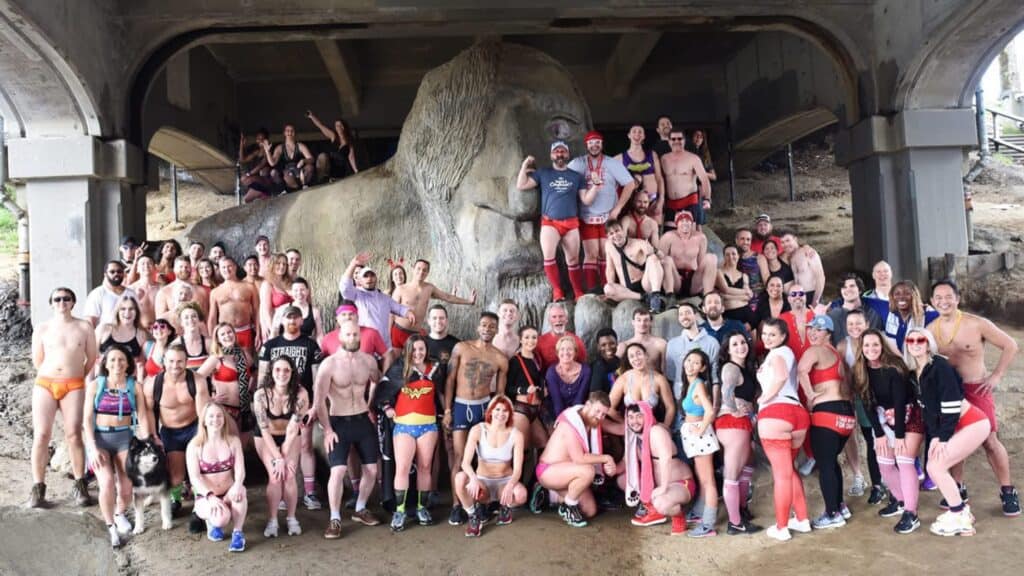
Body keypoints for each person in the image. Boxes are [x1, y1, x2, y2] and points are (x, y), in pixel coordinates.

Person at [927, 280, 1020, 515]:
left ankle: (1007, 490)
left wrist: (996, 375)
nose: (943, 301)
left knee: (989, 440)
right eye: (938, 297)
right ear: (931, 302)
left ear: (957, 298)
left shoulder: (976, 324)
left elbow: (1010, 345)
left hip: (976, 389)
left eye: (948, 296)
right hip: (950, 394)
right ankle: (958, 487)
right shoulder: (930, 330)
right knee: (953, 440)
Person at [904, 327, 991, 536]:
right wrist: (935, 437)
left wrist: (942, 438)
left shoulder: (939, 366)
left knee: (935, 466)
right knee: (935, 464)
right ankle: (961, 511)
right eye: (911, 340)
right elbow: (927, 410)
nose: (916, 343)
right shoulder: (914, 372)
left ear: (928, 343)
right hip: (953, 426)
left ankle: (959, 515)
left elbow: (951, 405)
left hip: (972, 423)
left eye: (921, 340)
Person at [29, 287, 98, 508]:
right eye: (57, 299)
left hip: (74, 384)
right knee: (41, 435)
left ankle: (80, 485)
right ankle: (38, 488)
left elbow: (92, 358)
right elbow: (37, 360)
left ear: (73, 302)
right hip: (46, 383)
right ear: (51, 303)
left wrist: (75, 376)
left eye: (66, 299)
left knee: (74, 435)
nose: (62, 302)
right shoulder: (42, 328)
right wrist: (53, 374)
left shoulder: (84, 326)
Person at [315, 320, 383, 538]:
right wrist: (327, 430)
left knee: (372, 469)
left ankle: (360, 508)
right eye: (349, 335)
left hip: (362, 419)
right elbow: (319, 402)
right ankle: (334, 518)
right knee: (338, 471)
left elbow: (377, 381)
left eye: (356, 334)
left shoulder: (369, 361)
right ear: (340, 336)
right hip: (338, 422)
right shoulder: (330, 364)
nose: (353, 338)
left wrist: (371, 404)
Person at [853, 329, 925, 533]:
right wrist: (880, 434)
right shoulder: (860, 370)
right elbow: (867, 404)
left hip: (910, 416)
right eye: (866, 345)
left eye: (875, 344)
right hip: (884, 417)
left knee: (904, 460)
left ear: (882, 345)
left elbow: (901, 402)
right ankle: (901, 500)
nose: (871, 349)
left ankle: (911, 513)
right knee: (884, 464)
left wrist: (900, 436)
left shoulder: (893, 368)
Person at [83, 344, 153, 547]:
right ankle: (111, 526)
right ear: (105, 363)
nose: (117, 363)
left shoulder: (134, 386)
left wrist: (147, 440)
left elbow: (142, 415)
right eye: (112, 359)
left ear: (128, 363)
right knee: (106, 483)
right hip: (101, 439)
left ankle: (120, 513)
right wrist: (93, 447)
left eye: (121, 359)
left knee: (126, 487)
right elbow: (87, 419)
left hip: (125, 439)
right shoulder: (97, 385)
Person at [443, 312, 509, 525]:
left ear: (497, 330)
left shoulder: (500, 358)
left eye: (492, 326)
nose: (487, 328)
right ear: (477, 326)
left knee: (482, 458)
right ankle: (457, 506)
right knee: (460, 457)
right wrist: (447, 410)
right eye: (484, 324)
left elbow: (499, 393)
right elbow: (450, 380)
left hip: (483, 407)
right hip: (462, 405)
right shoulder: (462, 348)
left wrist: (497, 421)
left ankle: (481, 503)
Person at [259, 305, 324, 510]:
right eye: (288, 318)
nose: (292, 322)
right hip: (275, 405)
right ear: (282, 320)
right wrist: (263, 403)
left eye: (296, 318)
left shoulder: (311, 345)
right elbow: (262, 376)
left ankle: (310, 492)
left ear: (301, 321)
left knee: (304, 445)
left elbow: (316, 378)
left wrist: (313, 406)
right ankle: (281, 494)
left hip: (301, 403)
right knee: (278, 447)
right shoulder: (270, 345)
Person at [517, 141, 596, 301]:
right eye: (556, 151)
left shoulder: (576, 176)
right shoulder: (543, 173)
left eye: (563, 151)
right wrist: (525, 165)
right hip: (550, 223)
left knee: (573, 260)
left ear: (567, 154)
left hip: (571, 223)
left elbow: (586, 200)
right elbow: (521, 185)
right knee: (549, 257)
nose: (560, 154)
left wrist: (595, 185)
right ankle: (558, 291)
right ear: (551, 154)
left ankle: (578, 292)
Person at [797, 315, 856, 530]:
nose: (813, 333)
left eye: (818, 330)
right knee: (831, 463)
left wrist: (810, 394)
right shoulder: (837, 355)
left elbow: (802, 371)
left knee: (825, 465)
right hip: (846, 416)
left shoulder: (814, 351)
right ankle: (839, 506)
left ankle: (832, 513)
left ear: (828, 333)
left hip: (827, 413)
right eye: (810, 328)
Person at [379, 336, 441, 531]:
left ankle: (422, 508)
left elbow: (442, 394)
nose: (417, 353)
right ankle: (400, 511)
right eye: (413, 350)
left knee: (425, 467)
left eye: (421, 349)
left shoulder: (436, 369)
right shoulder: (399, 369)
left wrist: (445, 412)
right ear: (407, 351)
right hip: (404, 426)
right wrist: (387, 407)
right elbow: (383, 392)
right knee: (403, 467)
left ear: (426, 349)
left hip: (428, 426)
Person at [144, 345, 209, 531]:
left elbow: (202, 412)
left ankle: (199, 508)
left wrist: (201, 439)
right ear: (164, 361)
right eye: (171, 361)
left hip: (193, 428)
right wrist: (152, 436)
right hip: (170, 431)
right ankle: (176, 500)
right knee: (175, 477)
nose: (175, 365)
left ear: (186, 362)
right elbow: (148, 411)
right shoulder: (153, 384)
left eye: (180, 361)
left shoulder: (196, 381)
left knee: (199, 471)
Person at [756, 319, 811, 541]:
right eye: (765, 334)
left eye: (772, 335)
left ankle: (781, 526)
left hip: (776, 414)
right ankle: (802, 518)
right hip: (797, 414)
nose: (767, 338)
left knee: (781, 475)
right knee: (789, 471)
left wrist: (764, 398)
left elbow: (779, 376)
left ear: (782, 337)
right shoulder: (785, 353)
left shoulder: (778, 353)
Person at [568, 130, 637, 292]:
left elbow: (630, 184)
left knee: (608, 254)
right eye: (591, 143)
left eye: (597, 142)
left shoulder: (612, 163)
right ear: (586, 145)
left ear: (602, 144)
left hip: (608, 216)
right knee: (591, 255)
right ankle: (593, 292)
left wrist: (618, 208)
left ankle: (609, 290)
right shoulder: (577, 163)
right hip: (586, 216)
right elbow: (564, 178)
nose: (594, 146)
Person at [534, 392, 615, 527]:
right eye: (598, 411)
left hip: (568, 473)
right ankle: (568, 507)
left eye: (604, 414)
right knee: (587, 471)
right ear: (588, 405)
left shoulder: (592, 419)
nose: (600, 416)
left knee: (589, 510)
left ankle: (549, 495)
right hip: (548, 470)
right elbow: (579, 458)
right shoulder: (570, 422)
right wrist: (606, 458)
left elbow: (617, 429)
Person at [455, 395, 528, 537]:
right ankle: (473, 516)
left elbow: (518, 469)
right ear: (490, 411)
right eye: (498, 409)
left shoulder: (516, 434)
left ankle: (504, 508)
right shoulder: (478, 430)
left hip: (504, 481)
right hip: (483, 482)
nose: (501, 414)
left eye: (505, 411)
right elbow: (465, 463)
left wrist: (510, 485)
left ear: (510, 414)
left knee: (521, 495)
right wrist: (473, 478)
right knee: (460, 478)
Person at [619, 402, 697, 535]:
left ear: (647, 416)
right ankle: (652, 508)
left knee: (661, 503)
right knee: (622, 480)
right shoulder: (635, 436)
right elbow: (625, 462)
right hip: (659, 485)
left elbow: (665, 459)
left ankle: (678, 516)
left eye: (639, 416)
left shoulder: (656, 431)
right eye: (630, 417)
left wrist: (663, 487)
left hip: (681, 484)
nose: (634, 421)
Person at [253, 355, 308, 539]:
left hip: (289, 438)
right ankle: (273, 519)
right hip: (265, 437)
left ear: (292, 373)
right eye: (277, 369)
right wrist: (278, 459)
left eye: (286, 370)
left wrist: (284, 456)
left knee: (290, 474)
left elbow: (293, 429)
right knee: (276, 475)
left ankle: (291, 518)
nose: (282, 374)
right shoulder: (261, 395)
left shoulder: (301, 395)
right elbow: (264, 429)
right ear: (271, 372)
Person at [836, 310, 886, 505]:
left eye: (858, 323)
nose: (854, 327)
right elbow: (841, 374)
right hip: (852, 395)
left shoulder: (876, 341)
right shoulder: (842, 345)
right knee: (851, 435)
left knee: (874, 437)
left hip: (872, 396)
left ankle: (881, 481)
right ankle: (860, 476)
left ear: (867, 323)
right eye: (850, 324)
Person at [185, 403, 248, 552]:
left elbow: (240, 470)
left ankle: (238, 533)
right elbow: (194, 478)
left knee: (241, 492)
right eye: (211, 416)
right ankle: (213, 523)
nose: (215, 419)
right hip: (206, 497)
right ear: (204, 421)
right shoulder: (194, 445)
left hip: (228, 492)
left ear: (224, 419)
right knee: (222, 518)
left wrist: (238, 484)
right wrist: (210, 496)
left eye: (219, 416)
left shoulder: (233, 441)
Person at [716, 332, 760, 534]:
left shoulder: (746, 368)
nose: (741, 346)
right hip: (733, 424)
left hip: (743, 422)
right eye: (735, 344)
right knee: (732, 473)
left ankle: (741, 510)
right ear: (728, 349)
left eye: (743, 342)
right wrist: (734, 410)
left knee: (746, 467)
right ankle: (735, 522)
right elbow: (726, 392)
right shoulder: (731, 367)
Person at [678, 350, 720, 537]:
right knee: (702, 478)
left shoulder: (699, 385)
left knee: (708, 480)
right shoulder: (690, 385)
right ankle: (700, 512)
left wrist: (700, 430)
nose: (690, 365)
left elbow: (710, 411)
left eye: (696, 363)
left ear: (703, 368)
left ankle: (708, 523)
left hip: (699, 435)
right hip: (693, 435)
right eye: (688, 360)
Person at [390, 259, 476, 349]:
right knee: (394, 361)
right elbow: (391, 314)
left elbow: (447, 297)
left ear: (427, 272)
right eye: (418, 268)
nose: (421, 272)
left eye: (424, 270)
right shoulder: (401, 289)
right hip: (399, 331)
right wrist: (387, 334)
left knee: (416, 361)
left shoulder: (429, 288)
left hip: (415, 333)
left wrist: (469, 301)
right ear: (413, 269)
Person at [339, 252, 415, 349]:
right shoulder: (356, 295)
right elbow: (344, 288)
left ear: (376, 278)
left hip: (384, 346)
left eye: (372, 275)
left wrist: (408, 312)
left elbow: (399, 308)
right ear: (359, 280)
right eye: (366, 276)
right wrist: (352, 264)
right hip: (365, 345)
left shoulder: (385, 298)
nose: (369, 278)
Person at [195, 323, 251, 436]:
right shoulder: (216, 358)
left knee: (242, 448)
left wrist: (251, 388)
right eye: (223, 334)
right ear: (218, 339)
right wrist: (208, 398)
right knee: (234, 443)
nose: (227, 336)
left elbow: (255, 371)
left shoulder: (243, 353)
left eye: (229, 332)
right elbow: (196, 378)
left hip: (244, 409)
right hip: (225, 409)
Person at [602, 219, 667, 312]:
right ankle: (645, 298)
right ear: (608, 236)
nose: (615, 235)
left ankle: (655, 296)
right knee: (607, 288)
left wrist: (653, 251)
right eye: (611, 233)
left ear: (623, 231)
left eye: (617, 231)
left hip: (644, 284)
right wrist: (611, 286)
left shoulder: (638, 243)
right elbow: (610, 269)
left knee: (652, 258)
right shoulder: (608, 246)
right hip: (627, 291)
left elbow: (661, 256)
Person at [208, 257, 260, 356]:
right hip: (224, 334)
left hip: (245, 330)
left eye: (229, 266)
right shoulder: (215, 292)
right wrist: (212, 339)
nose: (226, 270)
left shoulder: (249, 287)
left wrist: (258, 333)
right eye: (223, 267)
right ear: (219, 269)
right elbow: (212, 317)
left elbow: (257, 311)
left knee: (246, 362)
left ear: (235, 267)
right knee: (228, 363)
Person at [507, 326, 548, 451]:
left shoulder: (537, 358)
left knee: (544, 444)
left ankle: (537, 471)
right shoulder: (515, 361)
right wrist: (524, 390)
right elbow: (507, 388)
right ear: (520, 339)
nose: (531, 341)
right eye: (527, 337)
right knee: (523, 449)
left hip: (536, 409)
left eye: (534, 337)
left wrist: (543, 389)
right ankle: (520, 471)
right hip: (521, 408)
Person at [659, 211, 717, 297]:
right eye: (681, 221)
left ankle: (708, 295)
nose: (685, 223)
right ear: (676, 224)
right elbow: (660, 260)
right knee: (667, 260)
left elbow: (701, 262)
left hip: (693, 279)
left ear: (692, 223)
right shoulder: (668, 237)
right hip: (675, 278)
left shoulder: (700, 238)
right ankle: (669, 296)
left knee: (711, 257)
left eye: (687, 221)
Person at [615, 125, 666, 224]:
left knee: (654, 233)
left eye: (640, 132)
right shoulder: (619, 158)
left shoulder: (652, 154)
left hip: (652, 201)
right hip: (631, 202)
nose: (637, 134)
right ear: (629, 135)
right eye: (634, 131)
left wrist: (661, 200)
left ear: (644, 136)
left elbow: (660, 179)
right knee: (631, 233)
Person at [660, 129, 711, 227]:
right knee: (669, 235)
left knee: (689, 235)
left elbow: (704, 179)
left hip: (689, 201)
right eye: (673, 139)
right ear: (669, 141)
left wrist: (707, 199)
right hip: (670, 203)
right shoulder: (664, 159)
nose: (676, 141)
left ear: (684, 140)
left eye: (679, 138)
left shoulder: (693, 158)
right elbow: (660, 180)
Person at [874, 280, 937, 351]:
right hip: (894, 360)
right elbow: (865, 300)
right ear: (892, 296)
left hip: (917, 359)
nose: (901, 297)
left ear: (914, 296)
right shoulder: (887, 310)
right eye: (897, 294)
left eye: (907, 293)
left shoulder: (928, 315)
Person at [95, 294, 148, 377]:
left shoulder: (141, 335)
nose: (127, 313)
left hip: (128, 382)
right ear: (117, 311)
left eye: (131, 309)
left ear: (137, 312)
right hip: (103, 380)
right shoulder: (104, 329)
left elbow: (141, 366)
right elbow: (91, 359)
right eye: (123, 309)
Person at [828, 273, 882, 345]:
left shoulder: (872, 314)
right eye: (844, 287)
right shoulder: (833, 315)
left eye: (852, 286)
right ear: (841, 292)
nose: (848, 290)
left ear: (859, 290)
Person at [321, 301, 388, 359]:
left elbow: (387, 356)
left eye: (351, 314)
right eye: (343, 314)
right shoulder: (327, 338)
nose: (348, 317)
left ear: (357, 317)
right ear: (337, 318)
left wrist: (385, 374)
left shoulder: (371, 333)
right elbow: (321, 362)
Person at [547, 335, 592, 420]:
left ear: (575, 352)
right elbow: (557, 403)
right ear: (557, 353)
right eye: (562, 349)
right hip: (555, 415)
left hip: (578, 413)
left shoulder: (585, 371)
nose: (566, 352)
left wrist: (574, 422)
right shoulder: (551, 372)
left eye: (570, 349)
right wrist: (562, 422)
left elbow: (579, 399)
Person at [779, 232, 826, 309]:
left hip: (813, 295)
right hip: (800, 298)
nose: (785, 244)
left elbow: (820, 277)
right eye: (782, 242)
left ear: (795, 239)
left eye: (788, 240)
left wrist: (815, 301)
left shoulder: (808, 253)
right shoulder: (791, 258)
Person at [308, 111, 360, 180]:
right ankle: (322, 177)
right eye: (336, 126)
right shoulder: (333, 136)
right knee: (322, 156)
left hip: (340, 168)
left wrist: (356, 171)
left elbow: (351, 158)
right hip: (330, 165)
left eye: (340, 125)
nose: (338, 127)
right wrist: (312, 117)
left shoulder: (349, 143)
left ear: (343, 127)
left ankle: (333, 177)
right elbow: (321, 126)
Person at [85, 260, 138, 326]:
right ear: (105, 274)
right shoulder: (97, 294)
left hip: (129, 335)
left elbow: (138, 318)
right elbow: (90, 322)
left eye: (119, 271)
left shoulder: (131, 293)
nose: (116, 274)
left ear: (124, 274)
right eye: (112, 272)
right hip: (105, 335)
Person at [265, 124, 316, 191]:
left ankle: (304, 184)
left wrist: (304, 161)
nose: (290, 133)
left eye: (292, 131)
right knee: (278, 173)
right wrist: (267, 151)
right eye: (287, 131)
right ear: (284, 133)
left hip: (300, 172)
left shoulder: (300, 145)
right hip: (288, 173)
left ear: (294, 133)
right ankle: (293, 189)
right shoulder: (280, 148)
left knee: (310, 167)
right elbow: (272, 163)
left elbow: (311, 159)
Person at [615, 308, 667, 373]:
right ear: (633, 322)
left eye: (646, 320)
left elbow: (665, 372)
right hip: (631, 382)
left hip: (654, 381)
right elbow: (613, 371)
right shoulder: (624, 345)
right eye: (639, 320)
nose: (642, 323)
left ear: (651, 322)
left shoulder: (660, 344)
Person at [716, 244, 756, 328]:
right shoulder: (718, 272)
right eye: (727, 254)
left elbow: (748, 297)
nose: (731, 257)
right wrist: (744, 293)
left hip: (747, 314)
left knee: (751, 340)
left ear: (738, 256)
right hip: (728, 314)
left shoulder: (744, 275)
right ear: (724, 257)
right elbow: (726, 289)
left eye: (733, 254)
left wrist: (727, 297)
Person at [536, 303, 587, 369]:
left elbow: (583, 366)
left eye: (561, 316)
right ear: (549, 320)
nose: (558, 320)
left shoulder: (576, 341)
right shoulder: (540, 342)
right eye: (554, 317)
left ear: (566, 319)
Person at [259, 253, 293, 342]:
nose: (281, 266)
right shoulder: (267, 284)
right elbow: (266, 311)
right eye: (278, 263)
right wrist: (273, 331)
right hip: (276, 327)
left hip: (291, 327)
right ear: (272, 265)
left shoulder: (289, 283)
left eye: (284, 264)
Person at [239, 128, 276, 202]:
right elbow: (242, 160)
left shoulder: (269, 151)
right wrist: (241, 144)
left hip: (266, 181)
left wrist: (249, 174)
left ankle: (267, 193)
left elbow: (261, 165)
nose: (260, 140)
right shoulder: (257, 152)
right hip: (258, 183)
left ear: (266, 140)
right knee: (247, 200)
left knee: (245, 179)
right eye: (258, 138)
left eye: (262, 139)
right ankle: (263, 194)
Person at [779, 283, 814, 362]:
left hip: (816, 367)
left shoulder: (816, 315)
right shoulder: (782, 318)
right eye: (793, 294)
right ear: (788, 299)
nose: (797, 297)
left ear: (805, 296)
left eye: (801, 294)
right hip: (792, 368)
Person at [172, 303, 210, 372]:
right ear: (181, 322)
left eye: (194, 316)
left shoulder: (209, 343)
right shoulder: (176, 345)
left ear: (199, 320)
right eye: (186, 317)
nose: (190, 320)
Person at [288, 277, 324, 343]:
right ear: (291, 292)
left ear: (307, 291)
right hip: (287, 346)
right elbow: (274, 332)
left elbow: (319, 334)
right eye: (296, 290)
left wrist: (320, 351)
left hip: (306, 346)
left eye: (302, 290)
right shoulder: (283, 309)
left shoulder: (315, 312)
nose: (299, 293)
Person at [129, 255, 160, 329]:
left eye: (149, 263)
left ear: (155, 268)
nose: (146, 265)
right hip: (138, 330)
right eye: (142, 263)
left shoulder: (162, 288)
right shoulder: (131, 290)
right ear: (137, 269)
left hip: (160, 330)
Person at [142, 319, 177, 385]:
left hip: (169, 388)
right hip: (149, 388)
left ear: (169, 331)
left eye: (162, 326)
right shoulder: (147, 346)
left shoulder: (174, 349)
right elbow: (141, 368)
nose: (158, 329)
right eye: (155, 327)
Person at [589, 328, 620, 395]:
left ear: (617, 343)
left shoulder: (622, 363)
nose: (608, 348)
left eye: (612, 343)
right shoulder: (596, 368)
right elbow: (594, 395)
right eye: (603, 345)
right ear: (598, 347)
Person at [735, 228, 764, 296]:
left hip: (757, 298)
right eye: (742, 239)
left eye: (748, 239)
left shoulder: (759, 257)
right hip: (738, 297)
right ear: (736, 240)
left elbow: (767, 280)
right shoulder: (731, 258)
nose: (745, 242)